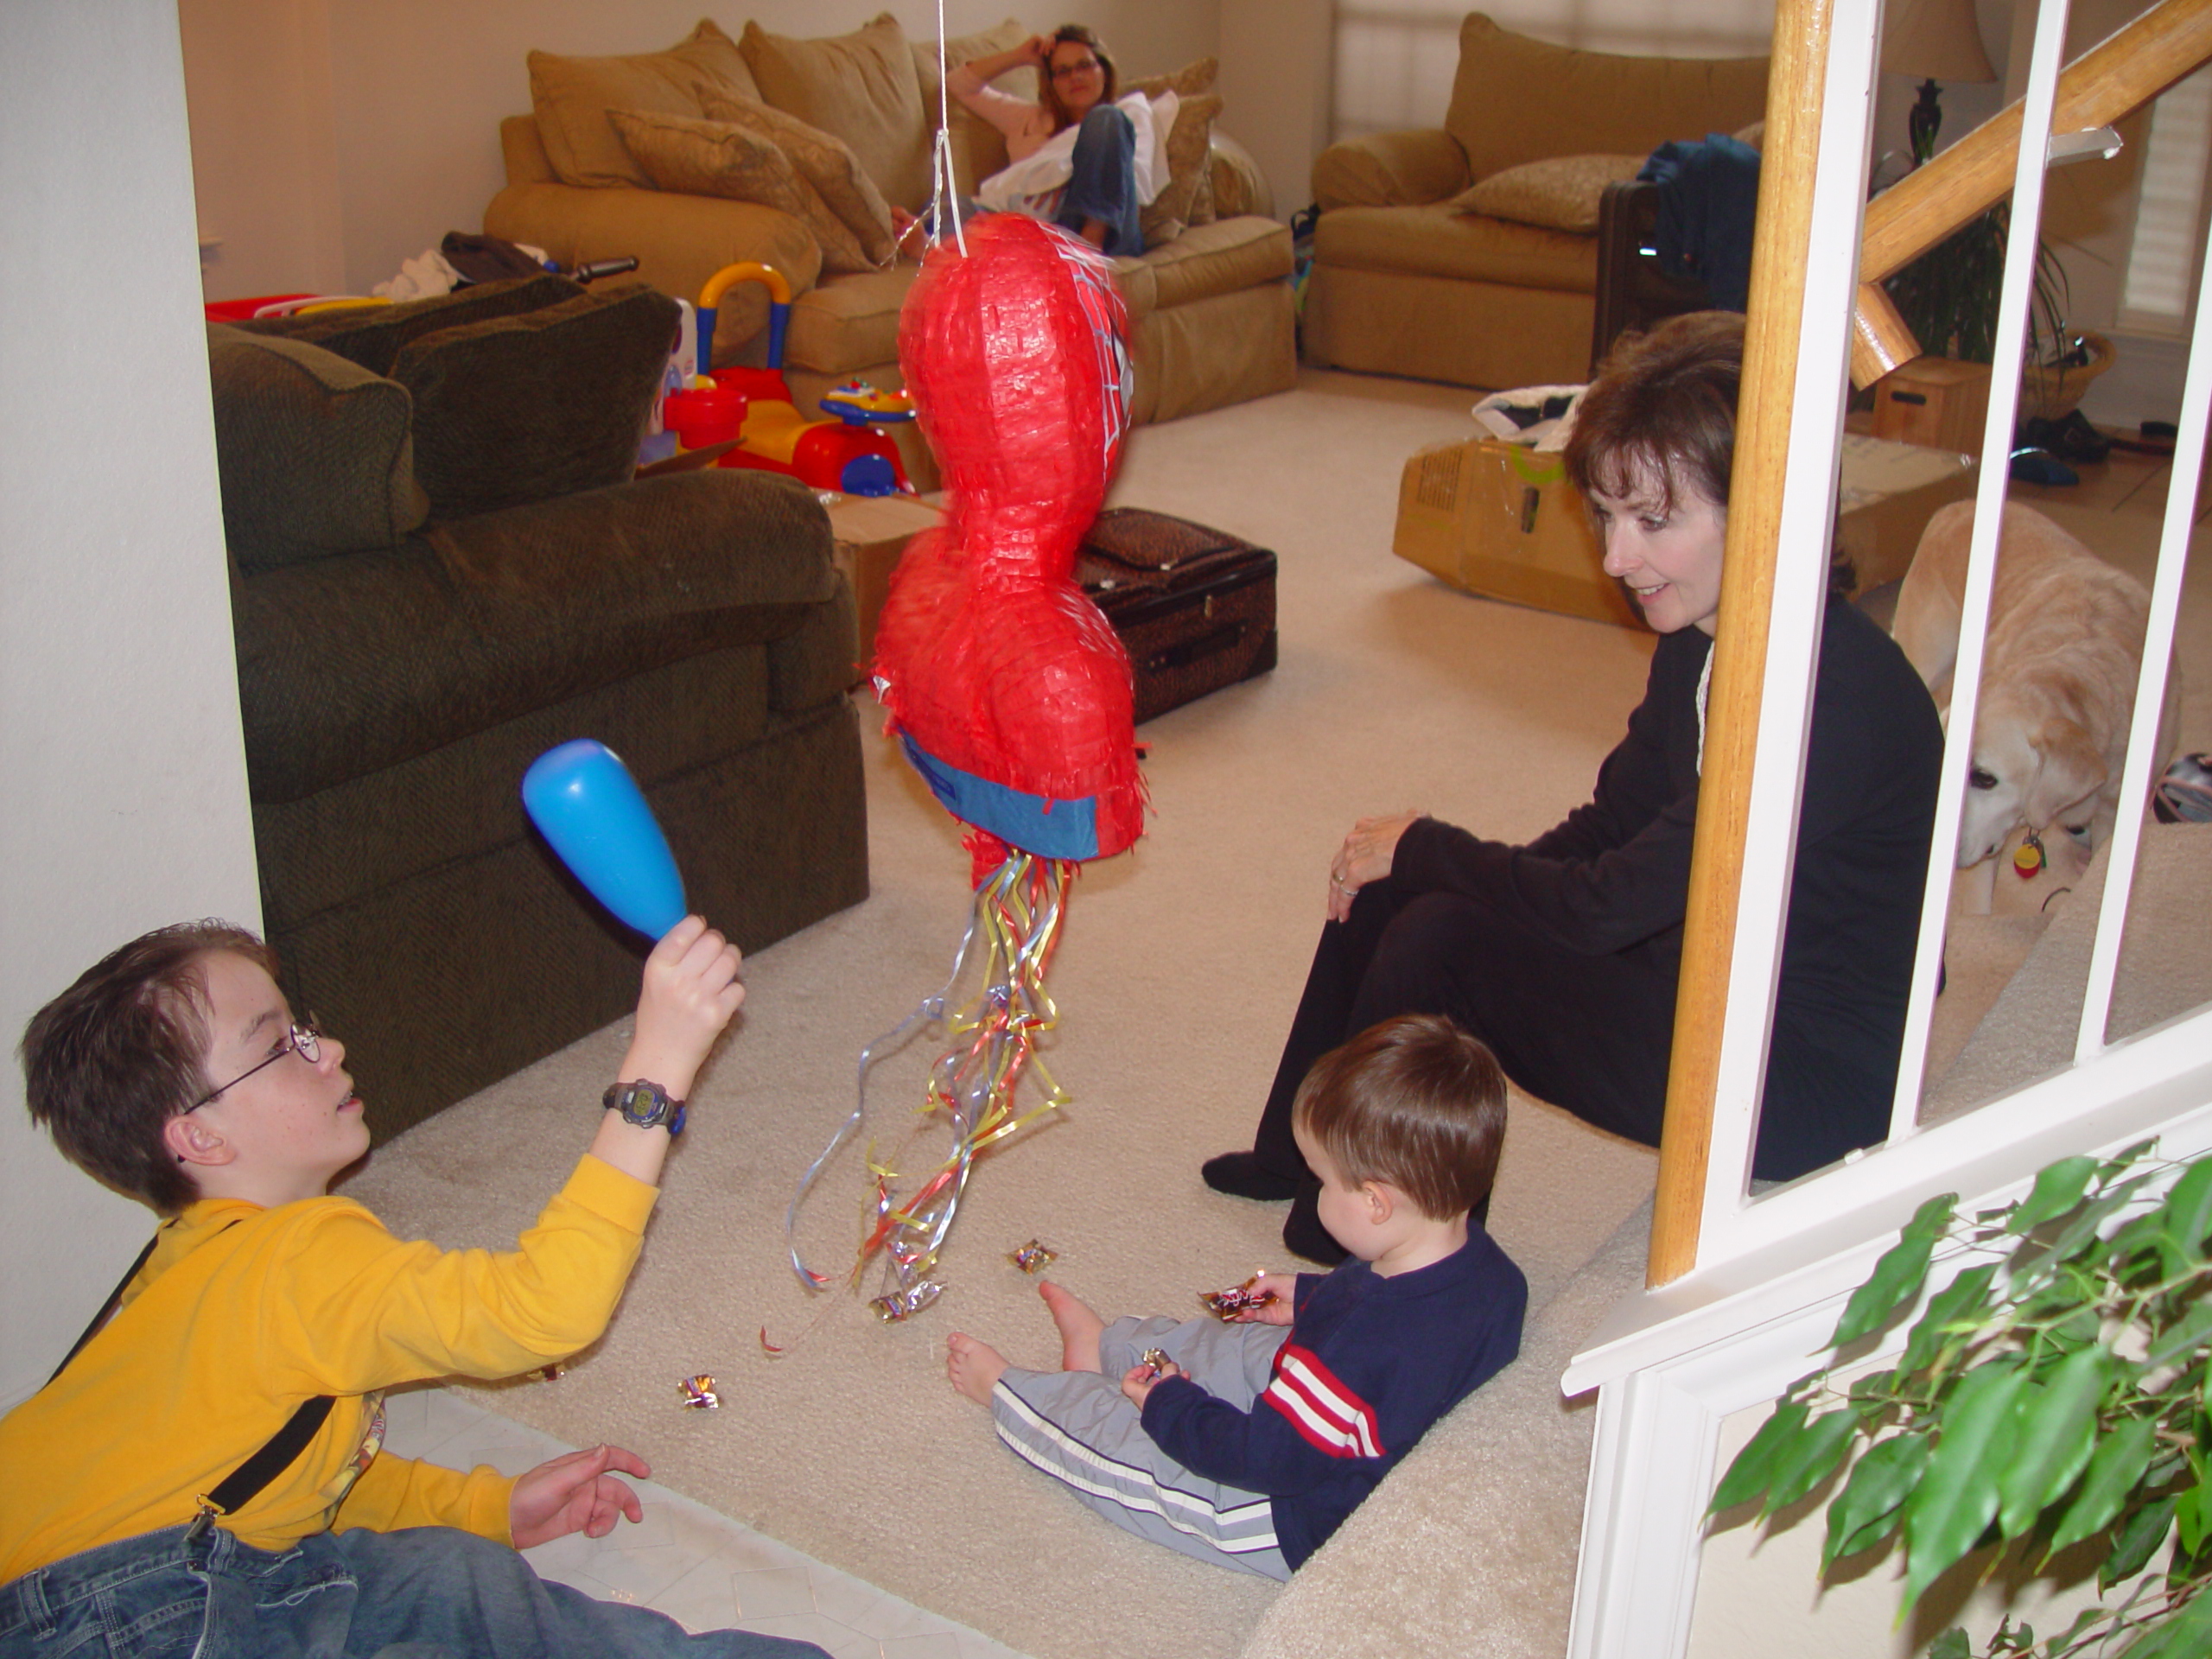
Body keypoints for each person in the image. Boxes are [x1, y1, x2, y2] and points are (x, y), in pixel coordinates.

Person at [1203, 310, 1945, 1262]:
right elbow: (1611, 825)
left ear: (1765, 507)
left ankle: (1352, 1233)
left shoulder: (1831, 700)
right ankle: (1297, 1161)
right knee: (1407, 889)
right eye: (1607, 515)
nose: (1614, 558)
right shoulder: (1704, 642)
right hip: (1709, 967)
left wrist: (1438, 858)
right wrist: (1418, 865)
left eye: (1654, 520)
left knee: (1442, 930)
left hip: (1798, 1071)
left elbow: (1606, 911)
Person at [0, 917, 825, 1659]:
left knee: (456, 1578)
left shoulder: (198, 1266)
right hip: (112, 1618)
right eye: (279, 1046)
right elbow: (544, 1309)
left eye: (303, 1026)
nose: (327, 1049)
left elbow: (302, 1478)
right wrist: (656, 1072)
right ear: (200, 1137)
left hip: (140, 1585)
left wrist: (485, 1511)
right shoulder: (293, 1260)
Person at [944, 1014, 1526, 1578]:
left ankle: (1009, 1393)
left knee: (1129, 1457)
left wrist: (1171, 1406)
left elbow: (1261, 1457)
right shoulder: (1488, 1271)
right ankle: (1105, 1348)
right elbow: (1382, 1304)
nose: (1314, 1191)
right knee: (1232, 1347)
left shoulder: (1362, 1348)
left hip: (1291, 1507)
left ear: (1376, 1202)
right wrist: (1307, 1297)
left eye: (1322, 1180)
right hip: (1332, 1402)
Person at [896, 25, 1147, 256]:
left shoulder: (1125, 116)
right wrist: (1021, 56)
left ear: (1103, 69)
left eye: (1084, 65)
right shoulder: (1028, 119)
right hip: (1039, 234)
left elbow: (1138, 186)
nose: (1076, 77)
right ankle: (942, 255)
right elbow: (958, 84)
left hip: (1107, 236)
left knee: (1105, 117)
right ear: (1050, 83)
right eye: (1062, 71)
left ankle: (1087, 248)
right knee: (947, 205)